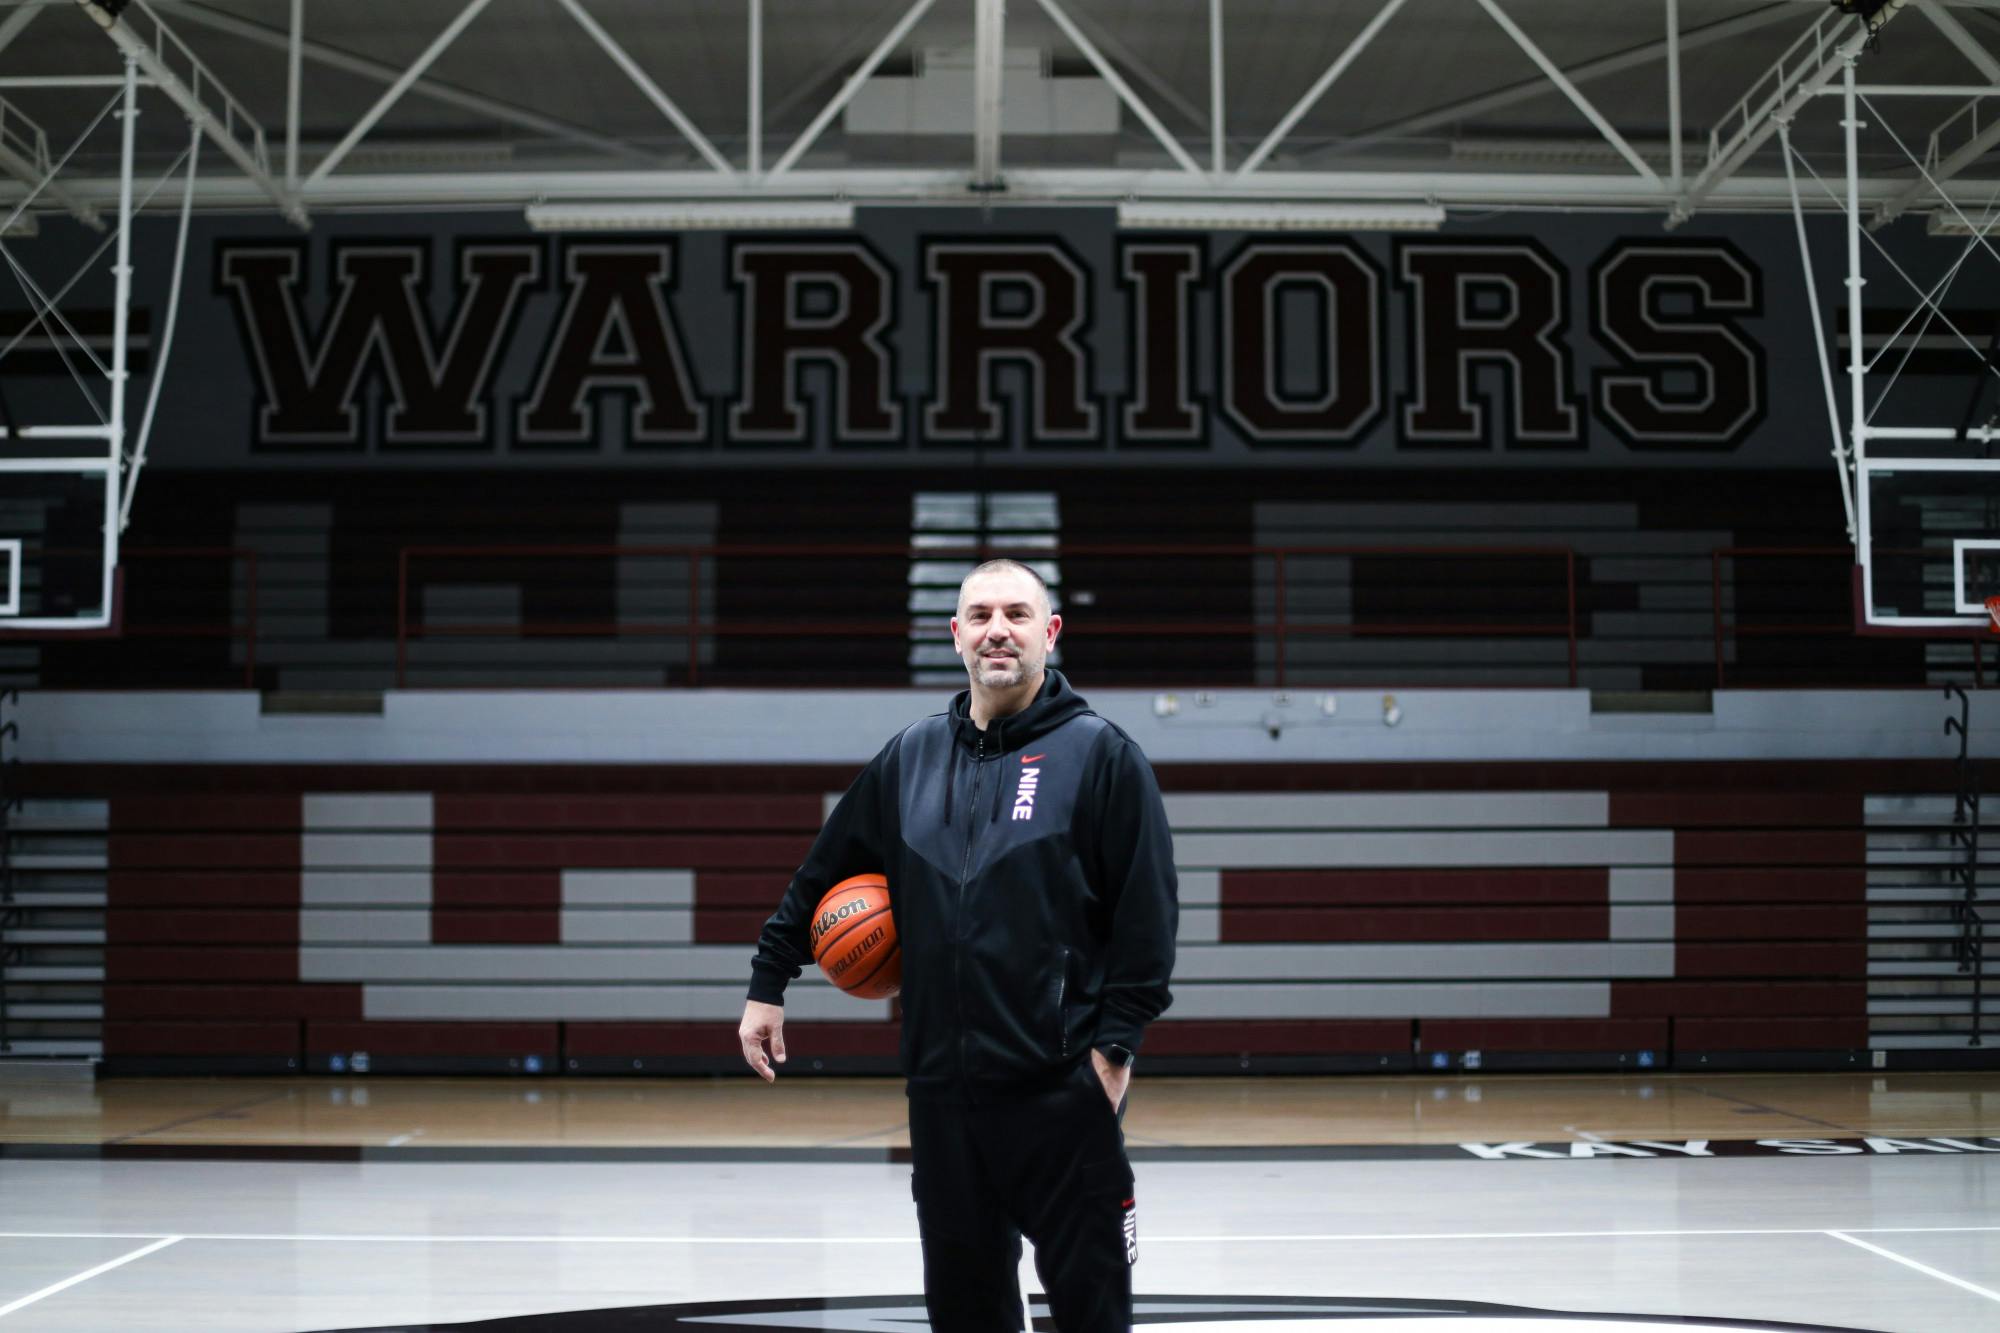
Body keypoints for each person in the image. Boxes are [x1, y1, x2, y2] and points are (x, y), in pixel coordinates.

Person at [738, 557, 1178, 1332]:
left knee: (1093, 1315)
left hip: (1060, 1092)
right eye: (979, 616)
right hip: (942, 1099)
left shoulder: (1102, 756)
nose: (997, 630)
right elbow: (822, 870)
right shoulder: (909, 756)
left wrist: (1112, 1056)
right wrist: (769, 981)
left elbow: (1148, 923)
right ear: (955, 636)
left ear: (1052, 631)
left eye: (1016, 613)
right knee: (967, 1316)